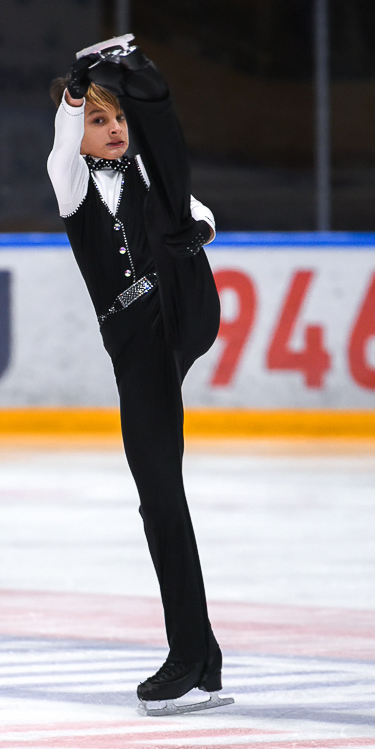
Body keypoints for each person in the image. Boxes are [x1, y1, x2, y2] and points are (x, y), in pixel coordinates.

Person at [47, 37, 224, 710]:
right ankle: (198, 655)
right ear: (81, 133)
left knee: (174, 205)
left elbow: (201, 214)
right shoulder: (70, 186)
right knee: (159, 498)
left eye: (119, 115)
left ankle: (147, 83)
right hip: (139, 345)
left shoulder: (147, 174)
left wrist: (194, 237)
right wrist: (74, 90)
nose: (113, 129)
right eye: (100, 120)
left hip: (184, 300)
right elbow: (62, 150)